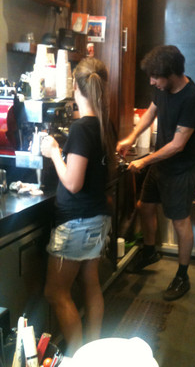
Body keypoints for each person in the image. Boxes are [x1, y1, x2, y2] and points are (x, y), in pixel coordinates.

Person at [117, 45, 195, 301]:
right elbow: (152, 111)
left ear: (173, 74)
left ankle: (182, 276)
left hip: (181, 169)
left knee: (180, 221)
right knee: (145, 205)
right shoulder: (161, 89)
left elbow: (178, 145)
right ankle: (150, 251)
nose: (152, 82)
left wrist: (144, 162)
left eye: (156, 77)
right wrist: (131, 137)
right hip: (161, 164)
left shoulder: (192, 98)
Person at [41, 58, 115, 355]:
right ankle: (92, 353)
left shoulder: (81, 129)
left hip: (76, 223)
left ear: (75, 87)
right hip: (97, 219)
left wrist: (55, 152)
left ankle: (76, 354)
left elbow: (72, 183)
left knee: (55, 291)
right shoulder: (103, 124)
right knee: (91, 284)